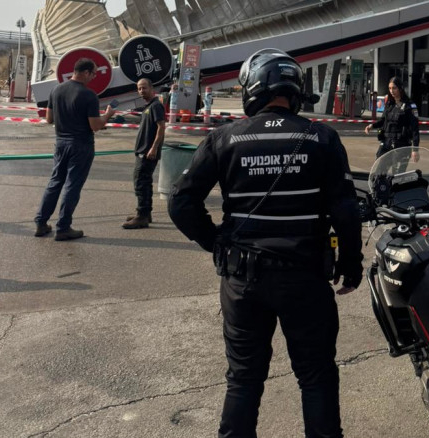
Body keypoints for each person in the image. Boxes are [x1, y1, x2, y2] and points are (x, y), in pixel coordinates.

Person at [168, 48, 362, 438]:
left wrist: (217, 242)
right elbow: (346, 209)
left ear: (253, 88)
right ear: (293, 89)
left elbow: (180, 201)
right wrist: (351, 264)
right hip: (305, 278)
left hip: (243, 280)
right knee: (317, 378)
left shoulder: (223, 139)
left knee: (243, 379)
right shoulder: (321, 137)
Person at [34, 58, 115, 241]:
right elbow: (95, 125)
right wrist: (108, 115)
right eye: (93, 73)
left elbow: (49, 119)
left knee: (55, 182)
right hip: (81, 144)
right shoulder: (88, 95)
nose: (94, 77)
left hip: (61, 142)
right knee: (72, 185)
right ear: (85, 72)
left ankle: (41, 222)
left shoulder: (56, 90)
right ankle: (63, 227)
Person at [122, 78, 166, 229]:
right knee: (144, 182)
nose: (141, 91)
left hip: (148, 153)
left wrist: (154, 148)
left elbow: (161, 127)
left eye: (144, 88)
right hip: (143, 152)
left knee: (140, 182)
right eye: (139, 88)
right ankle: (145, 213)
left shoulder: (155, 106)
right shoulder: (148, 106)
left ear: (151, 88)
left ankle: (142, 216)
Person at [364, 77, 420, 170]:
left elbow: (415, 129)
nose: (391, 91)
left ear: (400, 88)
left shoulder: (410, 106)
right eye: (390, 88)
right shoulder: (389, 104)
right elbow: (383, 120)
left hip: (401, 145)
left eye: (394, 88)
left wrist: (415, 150)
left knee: (397, 174)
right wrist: (372, 126)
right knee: (379, 170)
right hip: (386, 142)